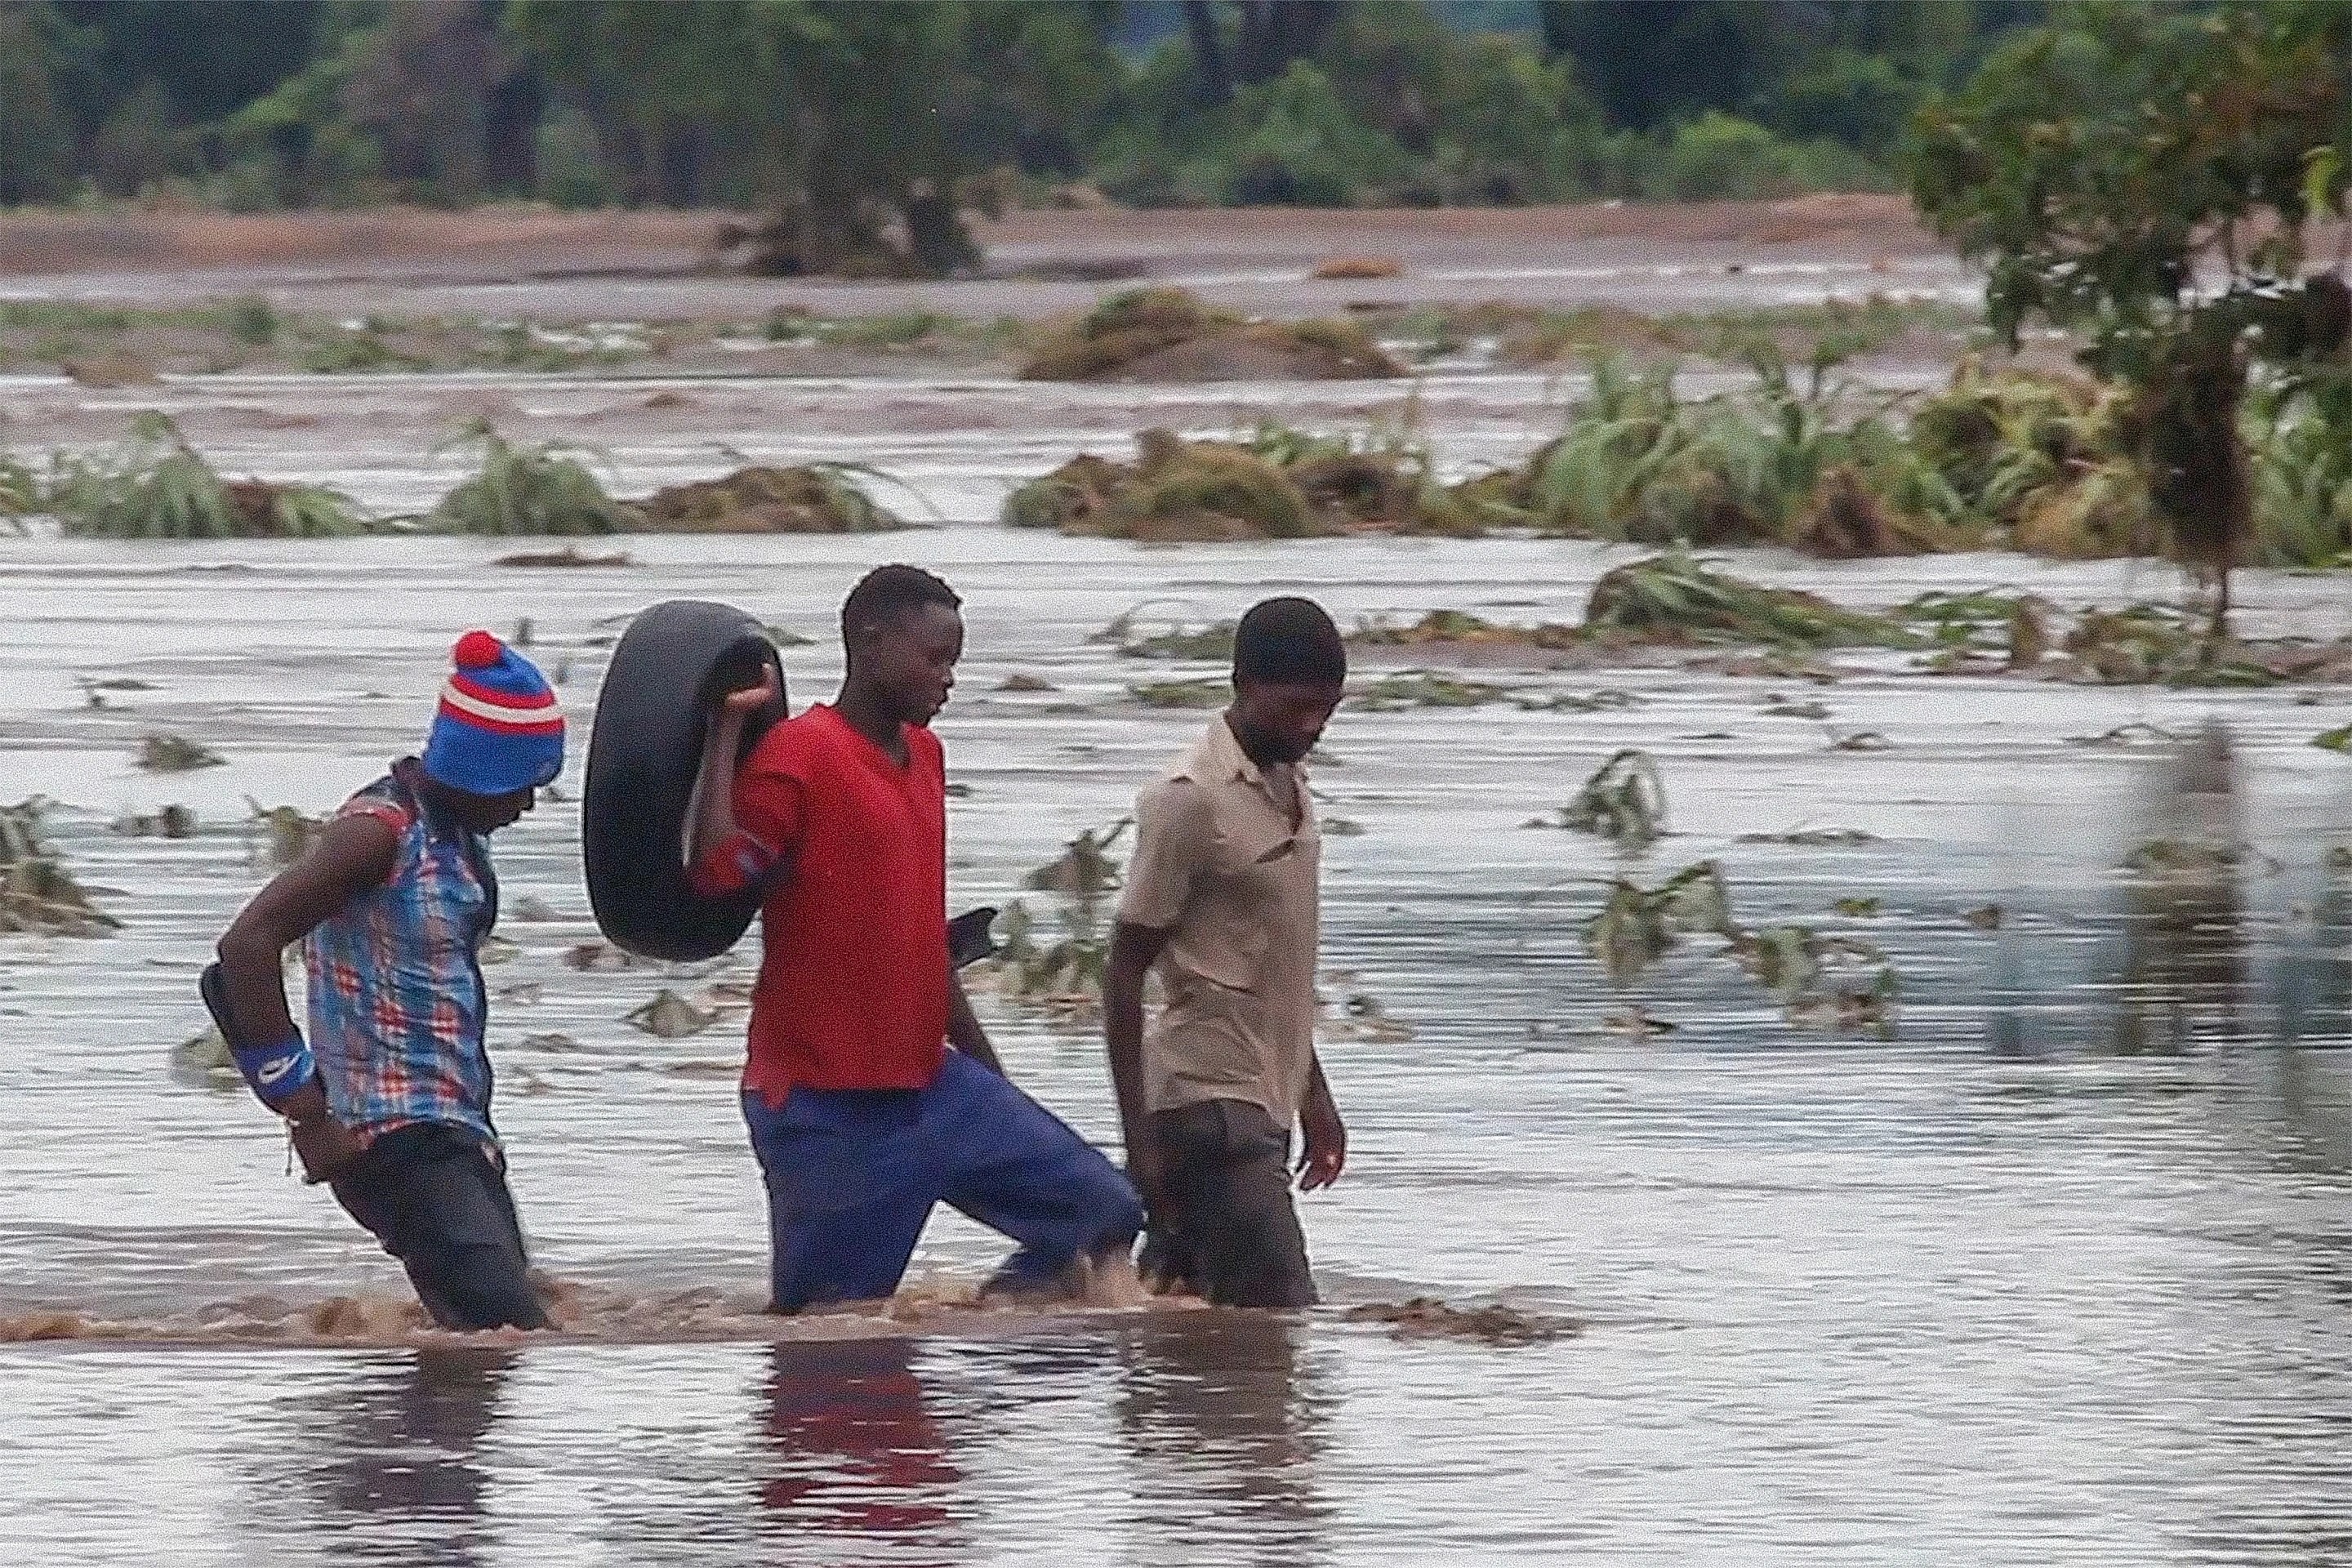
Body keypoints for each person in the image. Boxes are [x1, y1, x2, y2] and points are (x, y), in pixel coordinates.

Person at [688, 564, 1143, 1312]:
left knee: (1102, 1216)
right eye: (934, 659)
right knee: (828, 1336)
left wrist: (993, 1080)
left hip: (935, 1090)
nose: (948, 679)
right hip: (825, 1110)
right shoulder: (797, 757)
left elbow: (922, 939)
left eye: (954, 661)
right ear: (870, 645)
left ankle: (983, 1341)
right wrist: (724, 732)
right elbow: (717, 874)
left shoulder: (926, 758)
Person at [212, 630, 563, 1332]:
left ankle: (402, 1410)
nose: (528, 803)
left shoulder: (455, 838)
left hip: (455, 1132)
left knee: (492, 1341)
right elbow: (244, 950)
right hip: (388, 1138)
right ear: (478, 772)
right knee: (507, 1333)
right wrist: (305, 1112)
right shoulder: (378, 834)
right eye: (522, 784)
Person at [1104, 597, 1350, 1308]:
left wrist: (1315, 1098)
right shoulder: (1189, 800)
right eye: (1297, 708)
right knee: (1280, 1317)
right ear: (1242, 684)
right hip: (1205, 1106)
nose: (1313, 726)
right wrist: (1139, 1145)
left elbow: (1276, 969)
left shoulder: (1288, 786)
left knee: (1177, 1318)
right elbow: (1123, 973)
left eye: (1327, 710)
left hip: (1266, 1103)